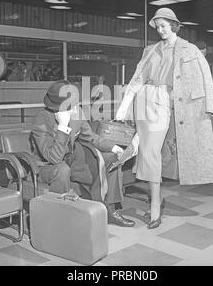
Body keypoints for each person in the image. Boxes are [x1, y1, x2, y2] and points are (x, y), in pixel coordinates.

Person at [116, 7, 213, 229]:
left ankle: (155, 204)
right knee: (145, 151)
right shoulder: (150, 50)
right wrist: (123, 108)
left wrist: (208, 107)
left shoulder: (188, 50)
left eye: (164, 25)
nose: (161, 30)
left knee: (151, 152)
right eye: (158, 26)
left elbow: (205, 78)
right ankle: (155, 198)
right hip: (143, 101)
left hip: (164, 101)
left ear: (174, 25)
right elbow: (136, 80)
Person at [31, 80, 135, 227]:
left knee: (111, 158)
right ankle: (60, 217)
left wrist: (113, 148)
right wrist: (62, 126)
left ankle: (108, 209)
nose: (76, 109)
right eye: (72, 106)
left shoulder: (76, 111)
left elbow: (90, 136)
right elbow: (53, 158)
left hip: (70, 159)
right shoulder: (41, 120)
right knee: (62, 170)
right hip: (46, 166)